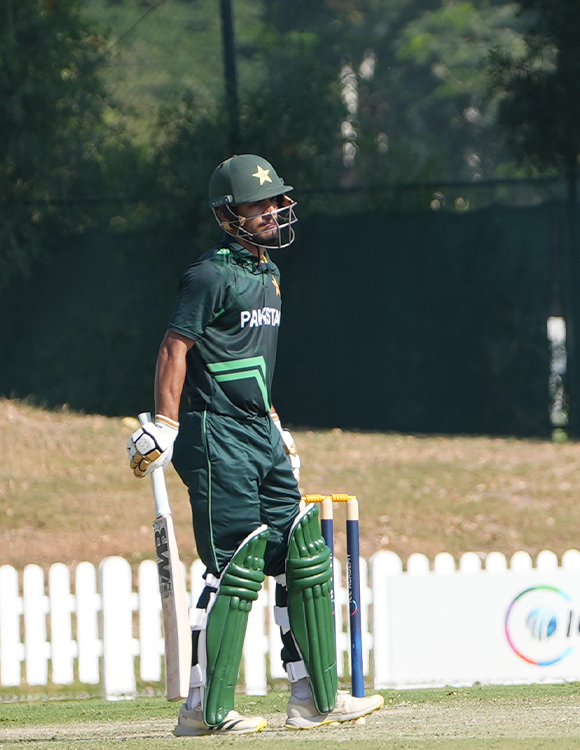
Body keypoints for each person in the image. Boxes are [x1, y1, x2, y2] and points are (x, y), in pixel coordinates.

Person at [126, 154, 384, 734]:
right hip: (215, 435)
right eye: (258, 204)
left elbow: (251, 362)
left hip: (258, 433)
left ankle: (312, 699)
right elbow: (175, 346)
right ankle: (202, 710)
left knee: (302, 555)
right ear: (228, 215)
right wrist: (166, 425)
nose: (272, 210)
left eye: (275, 201)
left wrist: (275, 423)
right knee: (235, 567)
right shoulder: (209, 274)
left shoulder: (267, 274)